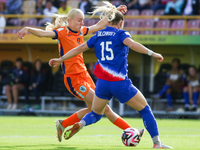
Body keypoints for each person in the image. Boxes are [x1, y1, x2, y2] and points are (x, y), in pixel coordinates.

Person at [49, 2, 173, 149]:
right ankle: (157, 143)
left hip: (102, 84)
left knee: (96, 113)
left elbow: (80, 48)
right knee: (145, 109)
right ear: (121, 23)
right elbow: (132, 44)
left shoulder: (98, 35)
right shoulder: (121, 34)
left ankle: (81, 123)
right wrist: (153, 53)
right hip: (120, 83)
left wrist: (60, 59)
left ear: (108, 22)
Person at [17, 3, 130, 143]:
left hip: (85, 75)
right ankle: (131, 130)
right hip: (73, 79)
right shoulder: (61, 32)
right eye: (79, 20)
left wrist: (114, 12)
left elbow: (99, 25)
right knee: (103, 107)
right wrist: (27, 28)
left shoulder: (81, 31)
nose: (82, 23)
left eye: (82, 20)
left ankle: (63, 124)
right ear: (69, 21)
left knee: (94, 111)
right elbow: (43, 33)